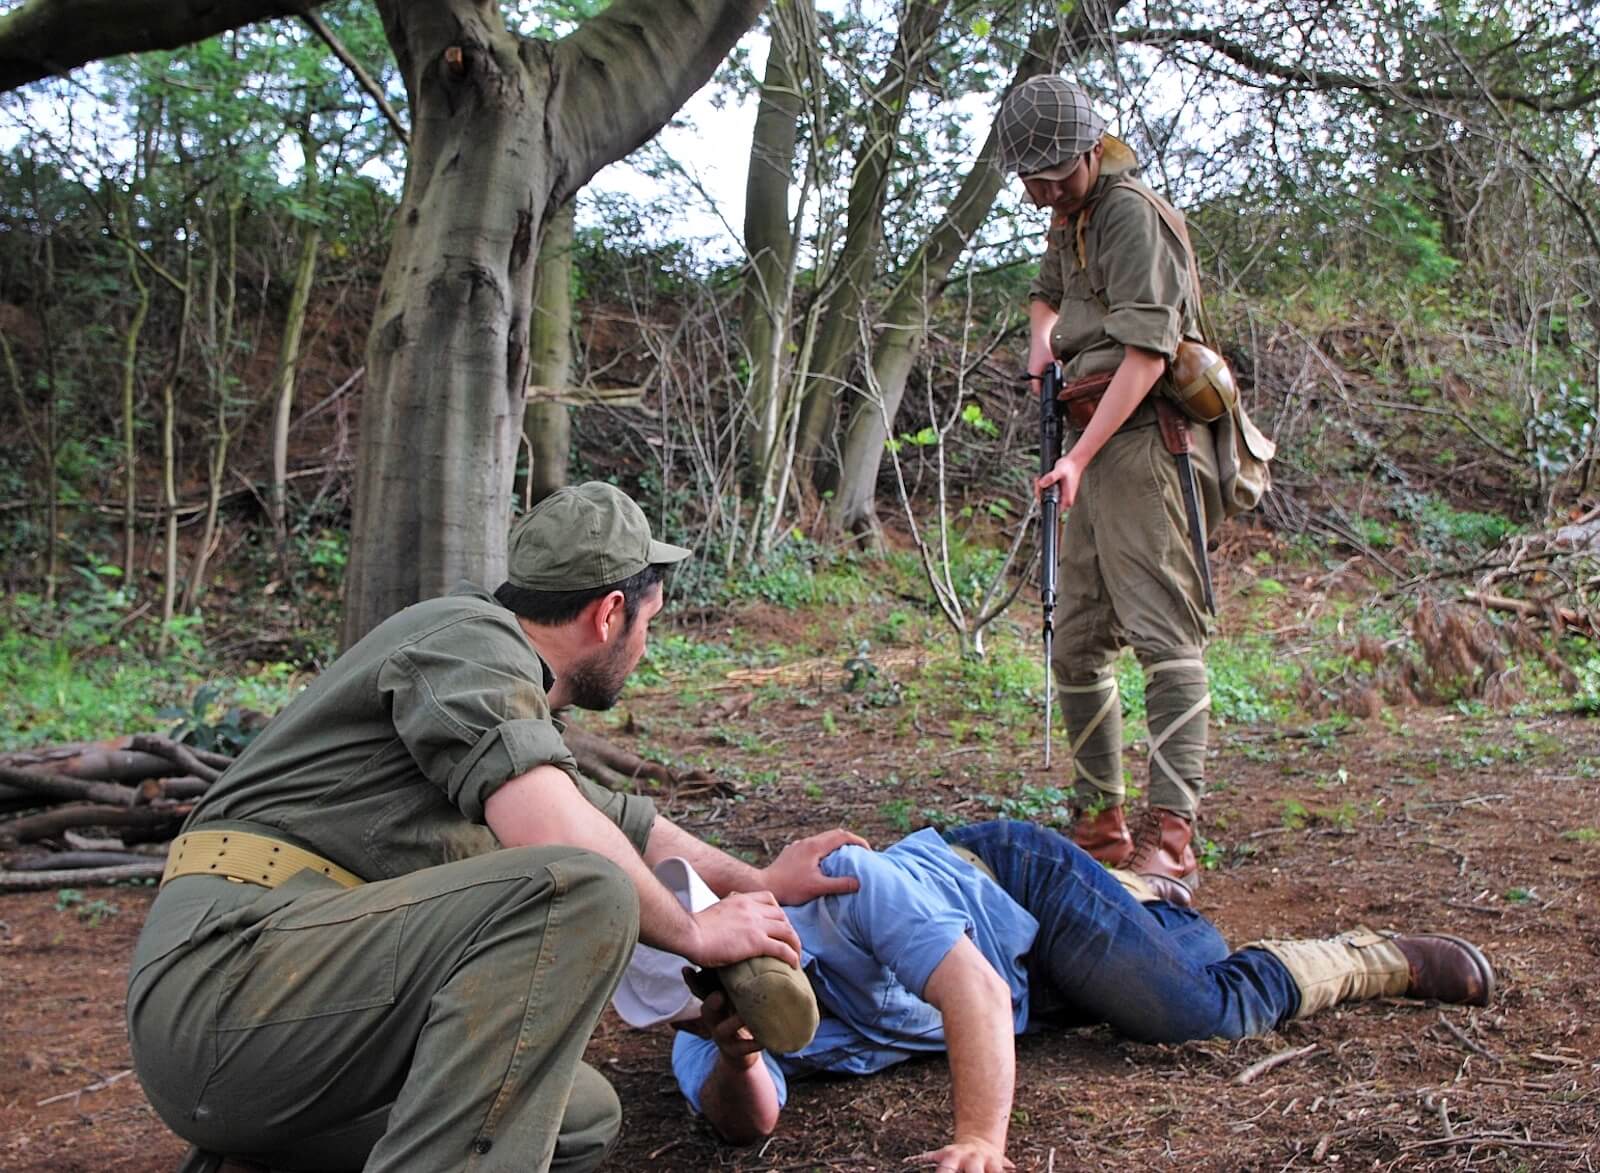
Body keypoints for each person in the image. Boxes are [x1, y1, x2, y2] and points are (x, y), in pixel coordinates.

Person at [126, 482, 866, 1173]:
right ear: (609, 613)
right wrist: (695, 933)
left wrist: (759, 881)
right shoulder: (468, 638)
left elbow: (626, 826)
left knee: (577, 1114)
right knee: (582, 888)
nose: (646, 646)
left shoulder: (496, 705)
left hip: (286, 1040)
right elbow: (564, 840)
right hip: (226, 993)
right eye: (650, 622)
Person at [667, 820, 1494, 1173]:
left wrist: (979, 1138)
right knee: (1197, 947)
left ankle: (1371, 957)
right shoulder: (705, 1017)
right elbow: (750, 1124)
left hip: (1018, 892)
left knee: (1200, 1010)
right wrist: (739, 1054)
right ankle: (1142, 898)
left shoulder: (841, 884)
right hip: (1030, 993)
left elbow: (973, 989)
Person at [996, 75, 1230, 900]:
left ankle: (1172, 838)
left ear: (1093, 152)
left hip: (1140, 445)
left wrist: (1080, 458)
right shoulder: (1071, 216)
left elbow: (1148, 355)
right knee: (1077, 643)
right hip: (1088, 448)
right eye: (1032, 181)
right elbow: (1046, 295)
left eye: (1057, 175)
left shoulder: (1131, 214)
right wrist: (1042, 340)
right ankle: (1100, 824)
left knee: (1167, 638)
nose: (1045, 193)